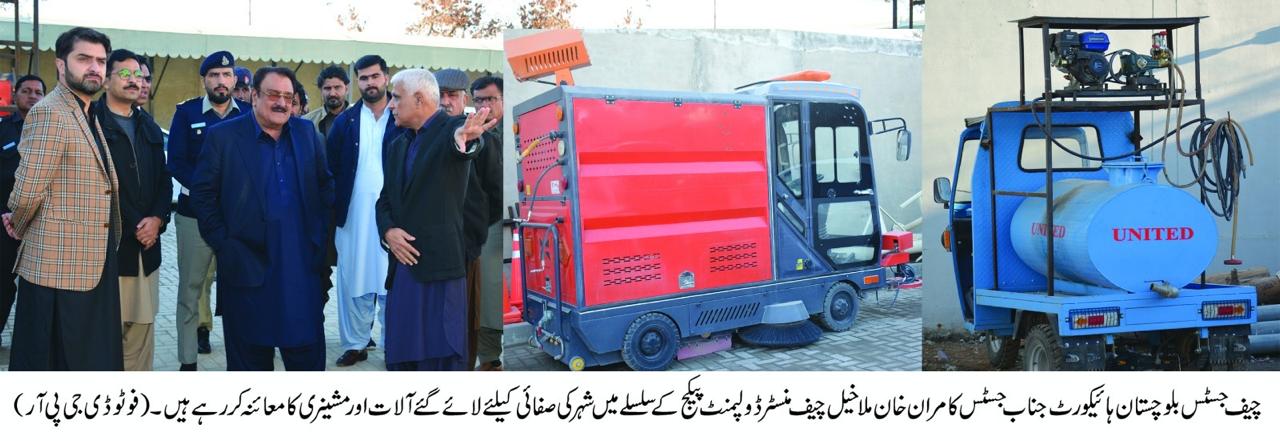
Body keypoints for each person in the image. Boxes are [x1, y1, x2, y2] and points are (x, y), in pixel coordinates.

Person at [189, 66, 334, 371]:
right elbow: (203, 195)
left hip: (300, 271)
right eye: (273, 95)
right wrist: (224, 244)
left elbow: (325, 186)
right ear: (254, 96)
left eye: (288, 97)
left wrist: (319, 239)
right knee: (249, 367)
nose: (281, 103)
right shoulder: (223, 137)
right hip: (246, 271)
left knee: (307, 363)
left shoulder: (307, 134)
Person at [3, 27, 123, 371]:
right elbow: (27, 190)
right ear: (60, 64)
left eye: (101, 61)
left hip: (89, 264)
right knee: (55, 366)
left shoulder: (85, 111)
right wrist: (19, 223)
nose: (94, 67)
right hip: (57, 268)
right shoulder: (50, 112)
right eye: (84, 58)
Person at [376, 68, 493, 371]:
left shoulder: (451, 128)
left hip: (440, 274)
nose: (391, 105)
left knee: (440, 361)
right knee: (402, 358)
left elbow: (462, 144)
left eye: (396, 98)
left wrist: (464, 141)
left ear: (419, 99)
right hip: (403, 270)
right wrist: (388, 231)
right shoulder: (397, 144)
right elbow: (385, 199)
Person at [167, 50, 250, 370]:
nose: (221, 81)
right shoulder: (187, 113)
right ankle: (188, 361)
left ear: (234, 80)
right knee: (190, 290)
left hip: (237, 219)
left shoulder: (247, 113)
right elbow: (176, 161)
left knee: (242, 290)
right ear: (204, 79)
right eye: (214, 75)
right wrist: (208, 192)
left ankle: (244, 358)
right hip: (195, 216)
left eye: (226, 75)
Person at [94, 49, 172, 371]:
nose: (134, 81)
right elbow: (97, 188)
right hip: (107, 251)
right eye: (124, 74)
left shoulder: (148, 125)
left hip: (146, 250)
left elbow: (164, 180)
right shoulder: (90, 124)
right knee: (104, 337)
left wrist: (158, 219)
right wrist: (138, 224)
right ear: (106, 80)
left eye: (138, 75)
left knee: (141, 334)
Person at [326, 55, 403, 367]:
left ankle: (393, 344)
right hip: (352, 219)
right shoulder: (345, 122)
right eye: (363, 78)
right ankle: (355, 344)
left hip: (393, 220)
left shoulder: (401, 116)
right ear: (356, 81)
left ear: (386, 77)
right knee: (352, 281)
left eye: (375, 76)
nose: (370, 83)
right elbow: (329, 170)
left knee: (391, 281)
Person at [0, 74, 45, 350]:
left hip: (40, 225)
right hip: (4, 225)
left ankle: (33, 342)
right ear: (15, 94)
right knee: (3, 284)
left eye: (38, 92)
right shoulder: (3, 129)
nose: (32, 96)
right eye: (26, 91)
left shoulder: (50, 131)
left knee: (38, 289)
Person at [470, 75, 505, 371]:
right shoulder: (472, 133)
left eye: (490, 99)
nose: (484, 105)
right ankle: (490, 359)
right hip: (486, 224)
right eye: (478, 100)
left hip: (513, 220)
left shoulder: (514, 128)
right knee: (488, 292)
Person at [304, 65, 350, 140]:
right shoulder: (308, 121)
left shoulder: (359, 118)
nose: (332, 93)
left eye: (337, 87)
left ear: (346, 89)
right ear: (321, 91)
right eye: (327, 88)